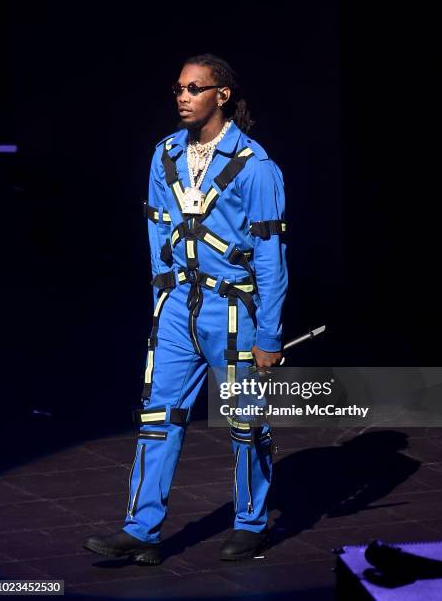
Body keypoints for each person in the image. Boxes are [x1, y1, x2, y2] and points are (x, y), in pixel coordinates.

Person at [83, 53, 288, 564]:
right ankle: (141, 530)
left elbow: (271, 254)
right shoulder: (166, 153)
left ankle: (250, 524)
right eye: (178, 87)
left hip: (235, 311)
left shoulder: (256, 166)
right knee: (158, 417)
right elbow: (156, 226)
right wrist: (161, 296)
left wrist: (270, 335)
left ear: (222, 95)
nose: (182, 96)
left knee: (247, 422)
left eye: (194, 88)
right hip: (177, 307)